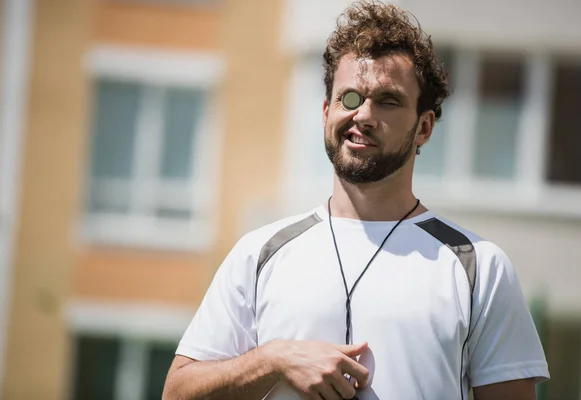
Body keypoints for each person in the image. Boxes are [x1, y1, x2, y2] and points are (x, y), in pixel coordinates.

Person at [163, 1, 550, 399]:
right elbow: (177, 393)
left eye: (388, 100)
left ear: (425, 127)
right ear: (327, 111)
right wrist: (274, 359)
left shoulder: (479, 266)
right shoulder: (259, 253)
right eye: (350, 98)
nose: (363, 114)